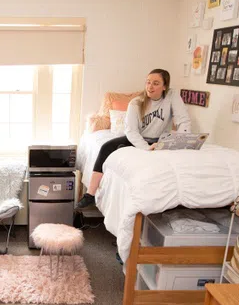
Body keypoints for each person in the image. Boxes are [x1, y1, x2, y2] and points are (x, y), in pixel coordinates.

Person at [76, 69, 192, 209]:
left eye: (155, 83)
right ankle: (90, 194)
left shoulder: (172, 96)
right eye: (148, 82)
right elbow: (131, 131)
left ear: (164, 86)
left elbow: (183, 120)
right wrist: (145, 147)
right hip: (137, 138)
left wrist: (182, 140)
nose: (150, 86)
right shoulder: (136, 103)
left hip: (161, 139)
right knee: (106, 147)